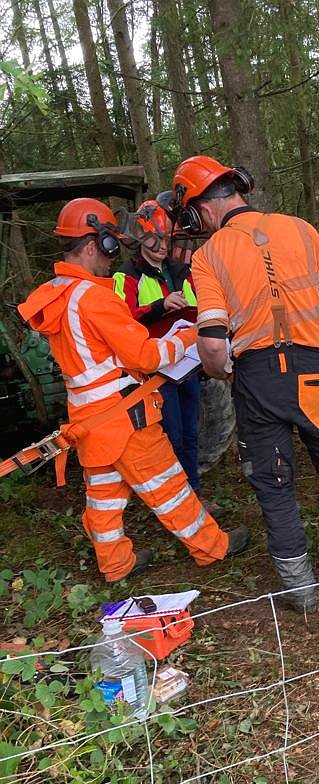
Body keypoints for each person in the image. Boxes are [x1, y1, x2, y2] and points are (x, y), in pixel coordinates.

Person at [164, 155, 319, 612]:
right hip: (315, 369)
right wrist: (306, 333)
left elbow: (213, 342)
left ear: (201, 208)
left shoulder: (208, 256)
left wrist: (221, 369)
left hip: (256, 377)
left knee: (274, 483)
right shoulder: (301, 229)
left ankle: (301, 591)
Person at [18, 198, 250, 582]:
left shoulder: (58, 294)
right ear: (92, 244)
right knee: (169, 486)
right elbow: (145, 355)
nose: (113, 256)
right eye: (110, 244)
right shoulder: (93, 297)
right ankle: (213, 547)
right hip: (124, 418)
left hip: (89, 419)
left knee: (104, 497)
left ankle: (115, 564)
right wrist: (190, 337)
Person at [113, 200, 223, 518]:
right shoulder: (126, 276)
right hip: (154, 371)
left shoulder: (181, 271)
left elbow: (201, 307)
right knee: (170, 435)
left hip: (186, 365)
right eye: (154, 240)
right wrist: (159, 307)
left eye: (165, 239)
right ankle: (175, 503)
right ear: (141, 239)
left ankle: (194, 495)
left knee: (190, 432)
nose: (161, 246)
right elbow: (120, 322)